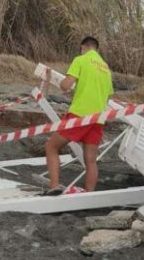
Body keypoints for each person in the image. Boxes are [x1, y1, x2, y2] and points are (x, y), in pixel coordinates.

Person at [42, 36, 113, 196]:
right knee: (91, 160)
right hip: (98, 119)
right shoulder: (106, 69)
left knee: (51, 146)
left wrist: (58, 81)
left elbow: (65, 85)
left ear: (83, 47)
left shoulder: (81, 60)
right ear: (97, 49)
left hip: (80, 115)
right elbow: (108, 97)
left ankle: (54, 187)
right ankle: (89, 195)